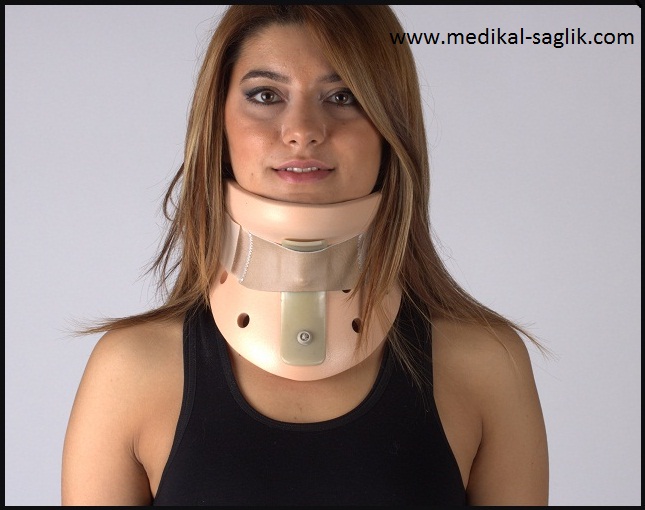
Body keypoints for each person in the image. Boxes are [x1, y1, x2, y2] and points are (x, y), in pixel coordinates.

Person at [61, 5, 549, 506]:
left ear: (391, 126)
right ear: (218, 123)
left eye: (343, 96)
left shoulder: (486, 365)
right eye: (265, 95)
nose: (302, 130)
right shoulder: (129, 373)